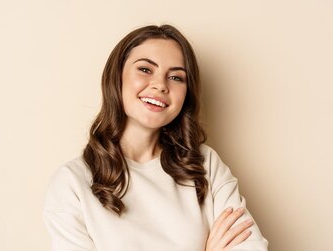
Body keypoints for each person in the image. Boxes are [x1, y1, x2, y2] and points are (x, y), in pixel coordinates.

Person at [42, 25, 269, 251]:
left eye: (176, 77)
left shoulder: (205, 163)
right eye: (145, 69)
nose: (161, 85)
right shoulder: (72, 183)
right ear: (116, 76)